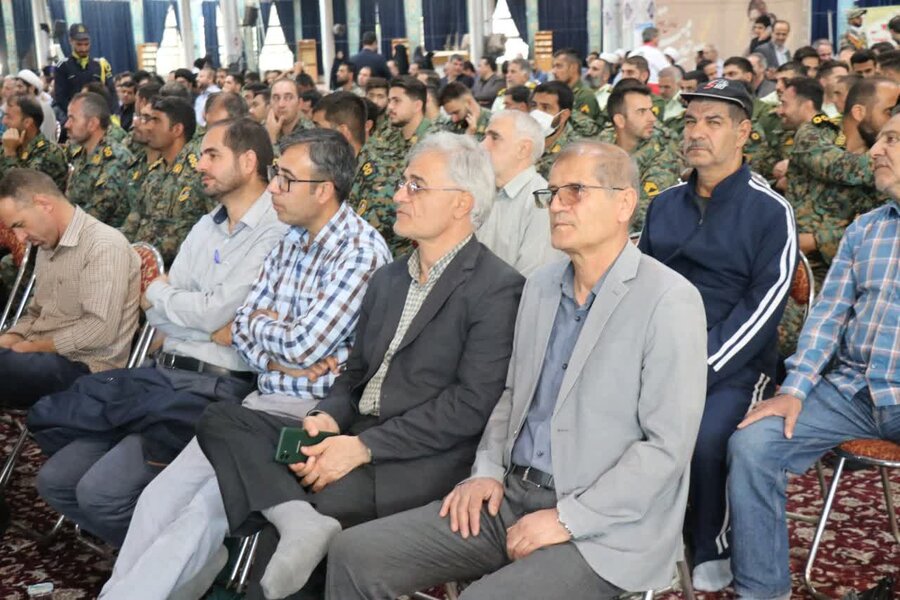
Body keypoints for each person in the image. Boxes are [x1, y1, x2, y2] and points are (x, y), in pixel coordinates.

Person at [326, 140, 708, 600]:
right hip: (509, 495)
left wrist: (568, 518)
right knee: (355, 553)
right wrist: (486, 469)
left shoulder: (668, 299)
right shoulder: (541, 287)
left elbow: (666, 448)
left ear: (624, 203)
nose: (557, 206)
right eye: (552, 193)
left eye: (575, 191)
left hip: (605, 527)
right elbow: (511, 395)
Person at [98, 128, 391, 599]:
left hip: (310, 414)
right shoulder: (289, 240)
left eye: (286, 179)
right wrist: (279, 347)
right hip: (259, 400)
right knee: (157, 501)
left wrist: (271, 337)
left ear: (323, 190)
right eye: (276, 174)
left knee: (198, 516)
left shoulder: (359, 251)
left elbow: (299, 345)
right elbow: (246, 337)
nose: (273, 187)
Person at [28, 118, 285, 548]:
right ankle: (163, 560)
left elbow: (209, 309)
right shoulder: (206, 226)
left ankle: (184, 566)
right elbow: (161, 309)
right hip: (160, 375)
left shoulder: (275, 231)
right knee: (56, 480)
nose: (199, 164)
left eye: (212, 155)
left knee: (100, 494)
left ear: (248, 161)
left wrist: (176, 302)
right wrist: (191, 313)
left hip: (212, 387)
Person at [727, 110, 900, 600]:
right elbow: (827, 318)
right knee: (752, 444)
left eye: (891, 140)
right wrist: (796, 388)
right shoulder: (866, 229)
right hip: (851, 391)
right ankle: (763, 592)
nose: (875, 150)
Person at [638, 78, 796, 592]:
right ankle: (630, 536)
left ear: (743, 132)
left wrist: (699, 366)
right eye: (690, 122)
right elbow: (639, 284)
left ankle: (710, 544)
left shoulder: (769, 210)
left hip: (733, 366)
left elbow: (765, 305)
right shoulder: (664, 205)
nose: (696, 132)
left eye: (713, 122)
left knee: (705, 438)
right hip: (658, 353)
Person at [775, 77, 895, 359]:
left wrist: (817, 240)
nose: (894, 118)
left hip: (844, 273)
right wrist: (889, 159)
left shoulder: (885, 175)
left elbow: (875, 230)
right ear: (859, 112)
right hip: (789, 265)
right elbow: (841, 168)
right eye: (889, 111)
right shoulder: (816, 134)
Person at [0, 168, 139, 409]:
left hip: (86, 371)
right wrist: (12, 337)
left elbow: (99, 330)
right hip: (43, 359)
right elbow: (36, 314)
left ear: (44, 204)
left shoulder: (104, 245)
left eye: (20, 225)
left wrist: (32, 348)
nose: (20, 238)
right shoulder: (46, 245)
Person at [348, 76, 439, 256]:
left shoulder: (435, 142)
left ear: (417, 105)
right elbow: (365, 167)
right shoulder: (387, 134)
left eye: (397, 101)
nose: (390, 107)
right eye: (390, 101)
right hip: (379, 233)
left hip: (413, 238)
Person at [120, 96, 213, 265]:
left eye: (156, 121)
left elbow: (212, 231)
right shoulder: (155, 171)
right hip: (139, 263)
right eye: (148, 120)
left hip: (178, 269)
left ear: (176, 130)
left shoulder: (198, 172)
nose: (149, 127)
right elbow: (134, 221)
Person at [477, 110, 562, 275]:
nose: (482, 146)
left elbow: (532, 280)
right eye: (484, 137)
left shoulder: (542, 203)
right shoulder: (480, 191)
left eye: (494, 138)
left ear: (523, 149)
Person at [599, 80, 683, 231]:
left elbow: (644, 213)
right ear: (620, 120)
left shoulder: (663, 152)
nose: (652, 118)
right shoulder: (603, 143)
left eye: (650, 110)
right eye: (641, 112)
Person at [64, 92, 135, 228]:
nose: (67, 124)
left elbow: (96, 215)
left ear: (92, 124)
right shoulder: (82, 153)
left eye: (72, 119)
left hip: (102, 236)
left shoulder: (115, 159)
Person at [0, 94, 67, 191]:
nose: (4, 121)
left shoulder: (49, 153)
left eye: (9, 117)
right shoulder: (8, 144)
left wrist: (10, 153)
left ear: (27, 122)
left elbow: (21, 191)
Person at [54, 23, 115, 113]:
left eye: (86, 44)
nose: (83, 49)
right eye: (79, 44)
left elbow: (111, 94)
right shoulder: (63, 66)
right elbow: (61, 98)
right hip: (73, 115)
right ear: (70, 41)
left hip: (97, 114)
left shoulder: (100, 65)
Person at [533, 81, 581, 179]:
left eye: (545, 107)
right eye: (533, 105)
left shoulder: (576, 153)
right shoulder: (521, 141)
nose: (536, 112)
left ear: (563, 116)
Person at [552, 48, 600, 121]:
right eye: (553, 67)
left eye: (559, 66)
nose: (553, 71)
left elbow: (584, 126)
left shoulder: (585, 96)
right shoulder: (561, 94)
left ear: (573, 68)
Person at [15, 69, 58, 142]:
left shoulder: (43, 108)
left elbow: (46, 138)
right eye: (16, 86)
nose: (16, 90)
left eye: (20, 86)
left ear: (31, 88)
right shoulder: (21, 108)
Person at [265, 79, 308, 145]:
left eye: (288, 98)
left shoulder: (309, 133)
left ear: (299, 103)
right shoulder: (264, 128)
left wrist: (272, 137)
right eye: (276, 98)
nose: (281, 104)